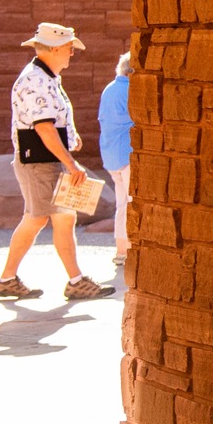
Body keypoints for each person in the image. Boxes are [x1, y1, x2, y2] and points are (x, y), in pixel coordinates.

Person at [0, 23, 114, 302]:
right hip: (40, 162)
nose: (72, 52)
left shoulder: (46, 76)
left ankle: (14, 279)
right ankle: (68, 281)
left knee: (56, 218)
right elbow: (43, 127)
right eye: (70, 48)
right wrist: (71, 162)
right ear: (55, 48)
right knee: (38, 218)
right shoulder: (36, 79)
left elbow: (51, 122)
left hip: (45, 161)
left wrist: (70, 138)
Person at [99, 52, 133, 267]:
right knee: (131, 203)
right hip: (127, 152)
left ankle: (122, 249)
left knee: (123, 204)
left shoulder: (109, 89)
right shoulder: (130, 90)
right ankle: (130, 249)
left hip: (111, 155)